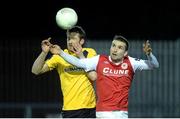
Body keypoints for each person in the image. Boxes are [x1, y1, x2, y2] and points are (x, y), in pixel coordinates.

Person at [48, 35, 159, 118]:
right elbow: (79, 63)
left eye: (120, 47)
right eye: (113, 45)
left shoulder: (131, 62)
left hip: (120, 114)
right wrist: (61, 53)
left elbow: (155, 65)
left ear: (125, 53)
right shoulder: (99, 60)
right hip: (101, 113)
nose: (115, 49)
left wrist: (149, 54)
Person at [31, 26, 97, 118]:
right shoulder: (58, 56)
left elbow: (93, 77)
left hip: (90, 108)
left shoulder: (89, 52)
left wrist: (80, 55)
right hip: (70, 110)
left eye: (73, 38)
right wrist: (44, 52)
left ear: (81, 41)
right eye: (68, 38)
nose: (69, 41)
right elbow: (35, 71)